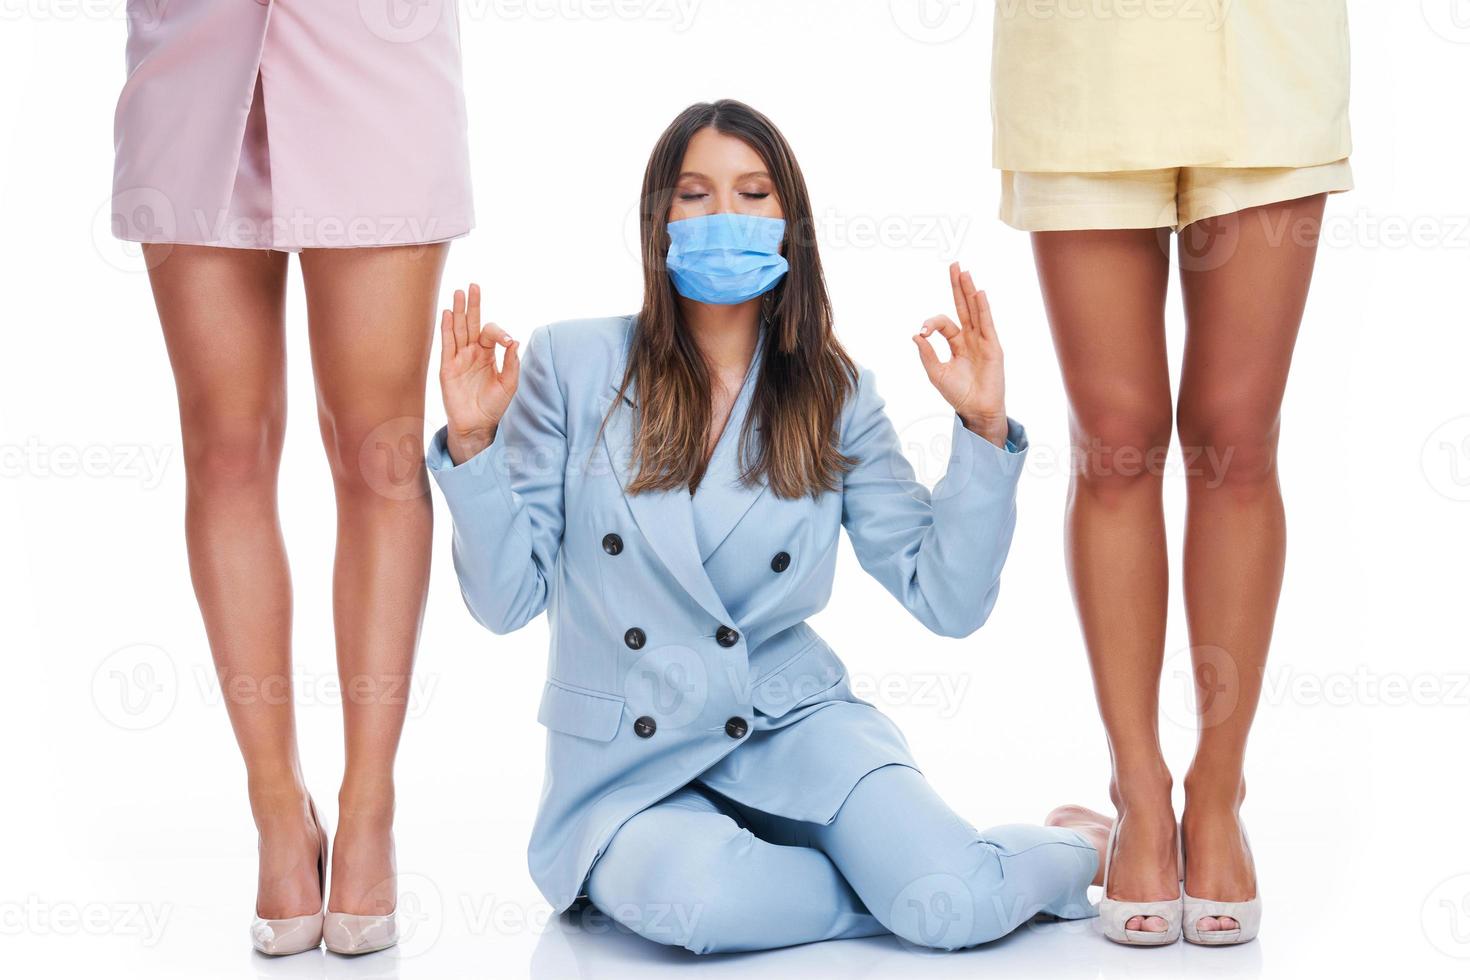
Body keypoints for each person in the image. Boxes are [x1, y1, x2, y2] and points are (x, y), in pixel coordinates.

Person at [429, 99, 1110, 954]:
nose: (725, 216)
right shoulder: (569, 364)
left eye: (754, 194)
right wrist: (472, 443)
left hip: (796, 725)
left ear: (790, 225)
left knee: (954, 903)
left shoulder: (835, 393)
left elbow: (949, 600)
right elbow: (503, 601)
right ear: (660, 220)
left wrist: (980, 431)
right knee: (706, 904)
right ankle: (893, 881)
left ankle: (1082, 843)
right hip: (627, 768)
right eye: (695, 194)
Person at [111, 0, 474, 955]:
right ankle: (278, 813)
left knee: (378, 450)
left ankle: (367, 810)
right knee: (223, 448)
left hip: (374, 48)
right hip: (194, 55)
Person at [990, 0, 1354, 946]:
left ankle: (1220, 791)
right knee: (1115, 434)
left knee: (1236, 430)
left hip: (1266, 53)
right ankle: (1139, 788)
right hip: (1080, 52)